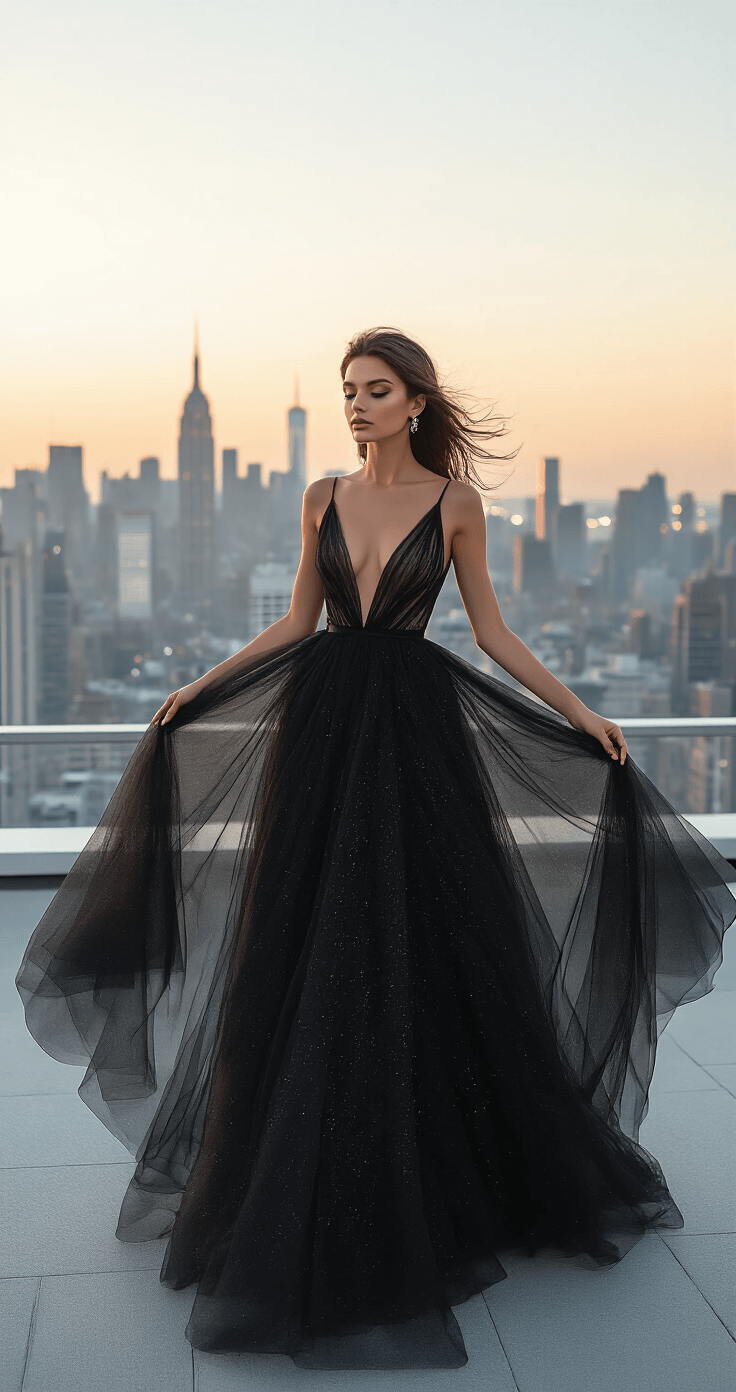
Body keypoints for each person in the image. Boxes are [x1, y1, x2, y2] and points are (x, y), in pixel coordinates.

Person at [17, 327, 734, 1371]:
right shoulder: (319, 497)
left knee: (423, 935)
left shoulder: (455, 506)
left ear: (413, 402)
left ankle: (441, 1162)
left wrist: (582, 715)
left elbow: (489, 633)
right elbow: (299, 626)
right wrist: (201, 686)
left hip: (414, 731)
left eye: (375, 390)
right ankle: (294, 1159)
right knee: (305, 934)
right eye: (348, 391)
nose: (356, 404)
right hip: (319, 732)